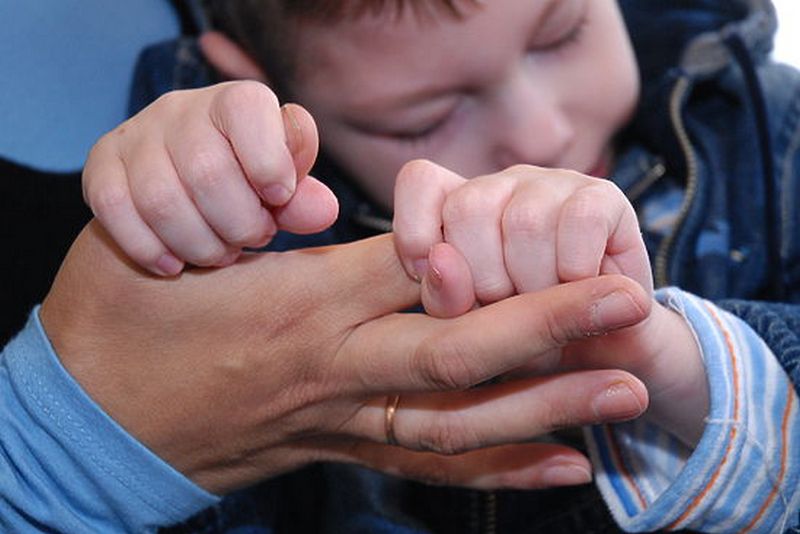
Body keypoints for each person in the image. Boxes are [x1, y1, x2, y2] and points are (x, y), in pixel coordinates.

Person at [73, 0, 800, 532]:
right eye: (421, 119)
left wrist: (672, 363)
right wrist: (193, 220)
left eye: (562, 32)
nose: (541, 129)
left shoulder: (771, 136)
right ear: (260, 75)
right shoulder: (257, 219)